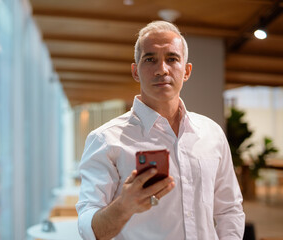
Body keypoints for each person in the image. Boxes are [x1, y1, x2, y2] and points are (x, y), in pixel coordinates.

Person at [75, 21, 245, 240]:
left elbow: (229, 209)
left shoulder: (212, 133)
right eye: (150, 59)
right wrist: (124, 206)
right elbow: (89, 230)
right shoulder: (105, 140)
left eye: (172, 59)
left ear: (186, 71)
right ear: (136, 71)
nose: (161, 69)